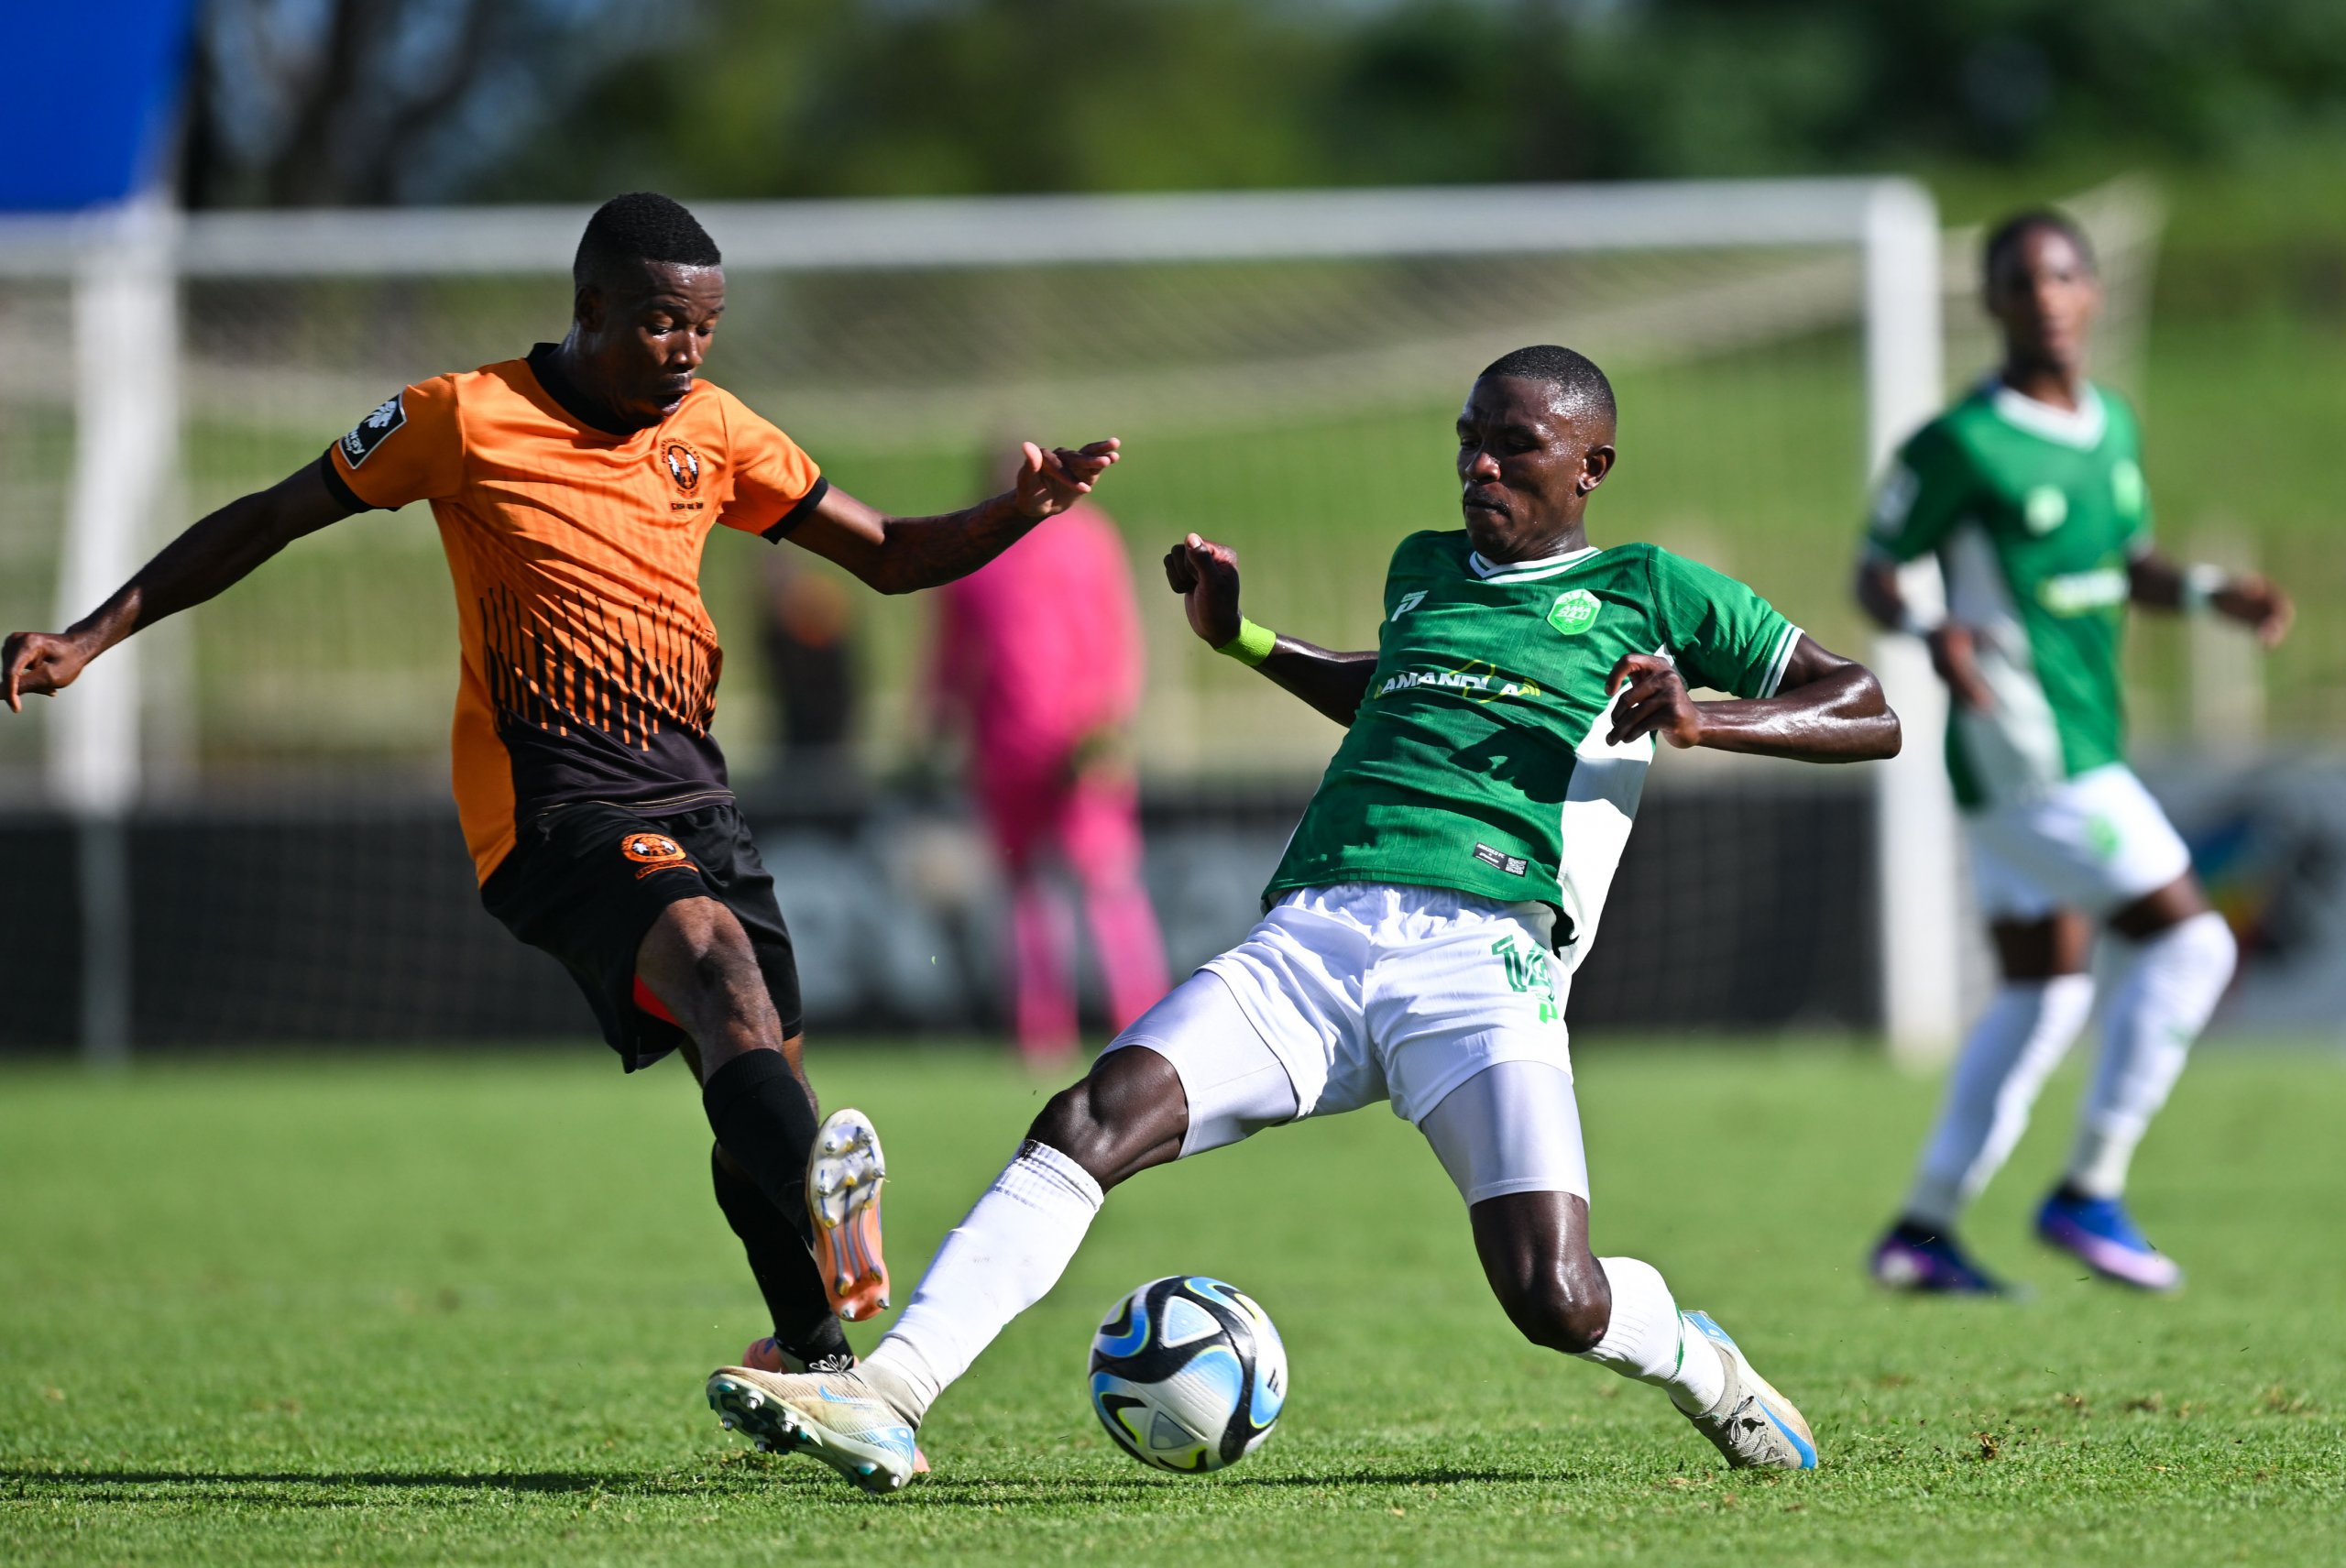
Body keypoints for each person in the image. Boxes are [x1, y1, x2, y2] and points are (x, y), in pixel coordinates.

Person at [700, 344, 1902, 1494]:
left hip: (1483, 961)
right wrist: (1243, 638)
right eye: (1468, 442)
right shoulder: (1426, 564)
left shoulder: (1647, 589)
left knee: (1557, 1297)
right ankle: (893, 1389)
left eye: (1514, 446)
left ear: (1590, 466)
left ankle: (1700, 1359)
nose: (1479, 465)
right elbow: (1390, 689)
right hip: (1315, 937)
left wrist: (1706, 719)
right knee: (1092, 1114)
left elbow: (1867, 706)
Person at [1, 193, 1119, 1403]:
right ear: (590, 311)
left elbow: (891, 554)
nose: (687, 351)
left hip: (695, 792)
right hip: (551, 809)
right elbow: (272, 515)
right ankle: (825, 1193)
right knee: (715, 974)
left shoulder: (717, 431)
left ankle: (812, 1347)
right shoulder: (461, 418)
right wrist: (87, 634)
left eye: (705, 328)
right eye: (658, 325)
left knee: (750, 1064)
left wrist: (1018, 510)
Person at [1855, 210, 2291, 1295]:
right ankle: (2088, 1190)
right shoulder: (1959, 441)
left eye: (2060, 274)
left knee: (2041, 994)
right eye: (2019, 280)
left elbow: (2126, 560)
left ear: (2090, 291)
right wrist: (1925, 630)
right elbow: (1875, 566)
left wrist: (2207, 593)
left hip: (2084, 734)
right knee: (2191, 946)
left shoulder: (2109, 425)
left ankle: (1923, 1228)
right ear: (1994, 304)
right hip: (2022, 744)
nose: (2044, 295)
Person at [930, 488, 1168, 1061]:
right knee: (1057, 887)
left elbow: (953, 661)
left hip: (1065, 740)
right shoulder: (1066, 541)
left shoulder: (997, 546)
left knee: (1082, 884)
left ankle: (1115, 1023)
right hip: (1032, 743)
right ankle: (1068, 1027)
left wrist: (1111, 722)